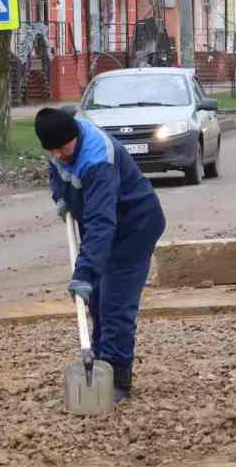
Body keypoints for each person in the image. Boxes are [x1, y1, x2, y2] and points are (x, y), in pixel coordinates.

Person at [35, 105, 166, 401]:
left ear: (75, 137)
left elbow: (101, 223)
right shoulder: (58, 146)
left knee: (115, 304)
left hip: (134, 226)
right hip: (104, 227)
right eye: (52, 150)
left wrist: (83, 273)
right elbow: (56, 172)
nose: (59, 155)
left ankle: (118, 377)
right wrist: (61, 197)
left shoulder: (98, 160)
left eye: (63, 148)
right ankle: (97, 363)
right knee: (96, 301)